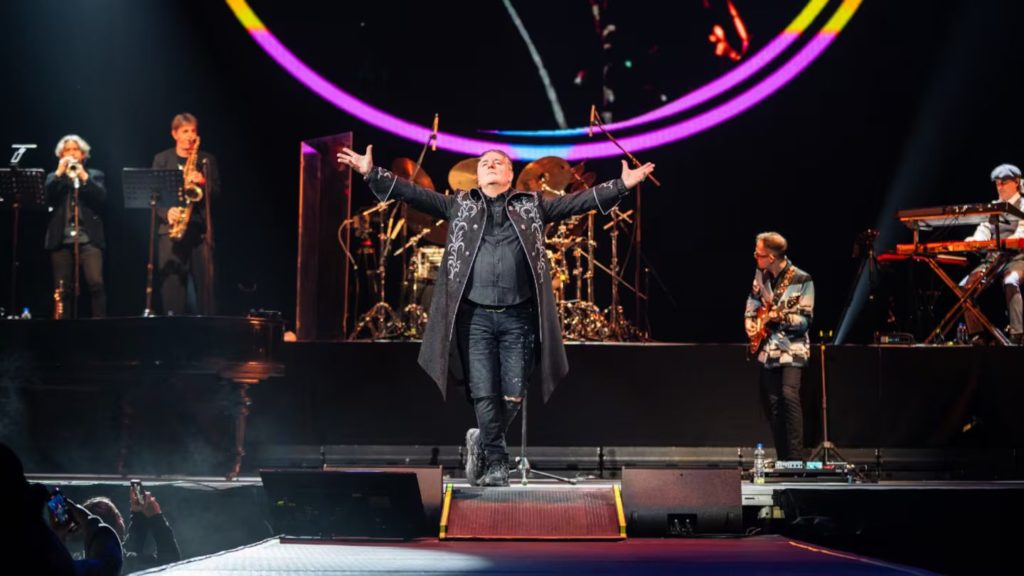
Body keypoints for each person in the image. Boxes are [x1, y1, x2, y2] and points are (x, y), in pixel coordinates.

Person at [337, 146, 654, 486]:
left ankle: (483, 439)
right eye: (484, 163)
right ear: (477, 175)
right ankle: (497, 464)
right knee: (484, 392)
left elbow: (578, 202)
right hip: (475, 318)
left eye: (497, 162)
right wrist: (372, 173)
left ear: (509, 174)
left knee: (513, 394)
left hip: (518, 317)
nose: (490, 165)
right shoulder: (460, 204)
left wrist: (621, 185)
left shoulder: (532, 205)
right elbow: (413, 193)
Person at [744, 231, 814, 462]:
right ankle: (783, 459)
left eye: (759, 254)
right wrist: (751, 322)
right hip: (769, 348)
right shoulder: (761, 275)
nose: (755, 256)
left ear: (771, 257)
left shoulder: (802, 280)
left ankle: (795, 459)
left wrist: (781, 317)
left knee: (789, 395)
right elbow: (753, 301)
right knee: (773, 403)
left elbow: (805, 321)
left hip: (793, 348)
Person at [152, 112, 220, 315]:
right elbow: (154, 195)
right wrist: (167, 212)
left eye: (193, 131)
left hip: (200, 230)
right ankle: (173, 327)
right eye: (185, 131)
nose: (190, 136)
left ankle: (207, 329)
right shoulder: (162, 159)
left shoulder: (206, 160)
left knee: (206, 288)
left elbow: (217, 194)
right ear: (175, 134)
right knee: (172, 287)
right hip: (172, 229)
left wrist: (203, 182)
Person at [44, 134, 107, 318]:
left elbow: (102, 198)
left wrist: (83, 176)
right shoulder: (53, 177)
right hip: (61, 240)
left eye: (75, 149)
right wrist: (59, 173)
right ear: (61, 155)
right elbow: (45, 197)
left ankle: (101, 326)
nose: (72, 153)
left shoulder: (94, 175)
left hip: (88, 239)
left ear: (83, 154)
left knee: (96, 283)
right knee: (62, 289)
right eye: (67, 150)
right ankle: (63, 327)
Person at [962, 163, 1024, 345]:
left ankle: (1018, 333)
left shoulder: (1023, 204)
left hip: (1018, 258)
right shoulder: (994, 206)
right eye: (997, 183)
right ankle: (978, 334)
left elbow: (1020, 233)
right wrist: (975, 240)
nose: (1000, 187)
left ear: (1016, 182)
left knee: (1010, 280)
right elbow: (984, 229)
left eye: (1004, 182)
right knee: (966, 286)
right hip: (995, 260)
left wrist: (1005, 243)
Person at [84, 489, 181, 571]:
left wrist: (138, 514)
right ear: (118, 520)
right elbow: (170, 563)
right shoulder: (120, 563)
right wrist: (156, 518)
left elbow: (129, 550)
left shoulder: (82, 561)